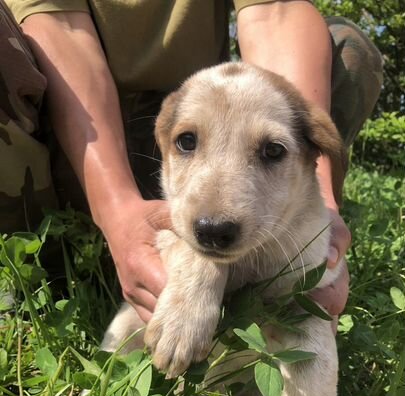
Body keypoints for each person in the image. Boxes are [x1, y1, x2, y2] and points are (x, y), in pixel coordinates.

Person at [0, 0, 383, 324]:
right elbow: (61, 30)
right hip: (71, 133)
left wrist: (317, 219)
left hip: (206, 130)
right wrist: (118, 211)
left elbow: (274, 13)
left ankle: (268, 271)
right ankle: (41, 265)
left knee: (346, 49)